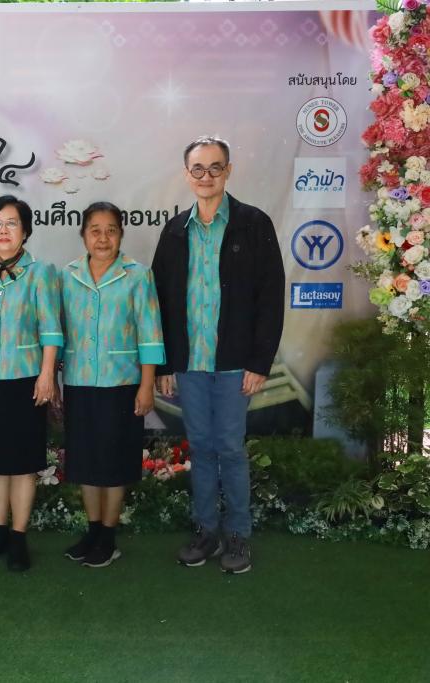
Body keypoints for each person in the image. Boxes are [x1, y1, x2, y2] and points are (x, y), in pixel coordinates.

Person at [152, 136, 285, 574]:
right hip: (190, 364)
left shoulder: (253, 224)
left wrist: (259, 362)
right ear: (186, 174)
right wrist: (165, 363)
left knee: (229, 448)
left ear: (228, 171)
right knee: (202, 448)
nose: (206, 176)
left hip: (234, 365)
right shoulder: (175, 231)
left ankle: (238, 536)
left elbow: (270, 297)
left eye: (215, 167)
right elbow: (159, 301)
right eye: (198, 169)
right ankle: (206, 531)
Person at [0, 195, 62, 572]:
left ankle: (19, 537)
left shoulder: (41, 272)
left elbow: (51, 329)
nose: (3, 230)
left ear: (26, 231)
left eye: (12, 223)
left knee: (22, 462)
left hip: (27, 380)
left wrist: (47, 374)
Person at [60, 202, 165, 568]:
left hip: (122, 383)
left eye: (111, 230)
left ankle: (108, 536)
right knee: (85, 462)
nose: (103, 238)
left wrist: (146, 384)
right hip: (79, 381)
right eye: (95, 230)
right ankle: (92, 531)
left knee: (114, 461)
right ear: (83, 235)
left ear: (121, 235)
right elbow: (58, 330)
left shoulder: (138, 275)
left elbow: (150, 334)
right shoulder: (68, 275)